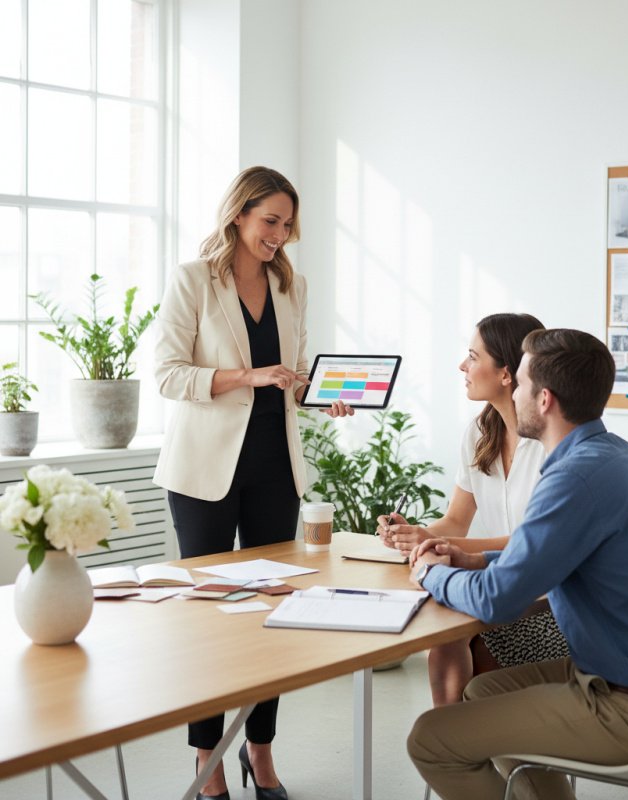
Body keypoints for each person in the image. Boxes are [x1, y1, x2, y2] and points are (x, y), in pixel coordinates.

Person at [406, 328, 628, 800]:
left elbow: (497, 601)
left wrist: (431, 573)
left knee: (430, 739)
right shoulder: (618, 456)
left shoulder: (573, 478)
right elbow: (547, 556)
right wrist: (475, 559)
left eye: (522, 384)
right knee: (485, 691)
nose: (514, 393)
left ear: (544, 399)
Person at [153, 166, 352, 800]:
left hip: (274, 467)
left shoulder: (291, 286)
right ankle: (206, 758)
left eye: (288, 225)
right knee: (210, 617)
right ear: (238, 214)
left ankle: (259, 749)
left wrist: (323, 395)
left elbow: (293, 375)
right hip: (204, 470)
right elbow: (167, 374)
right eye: (271, 221)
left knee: (274, 610)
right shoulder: (193, 280)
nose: (280, 235)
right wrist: (247, 376)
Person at [375, 313, 568, 706]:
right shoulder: (480, 433)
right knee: (446, 629)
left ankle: (457, 732)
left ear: (506, 374)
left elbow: (532, 543)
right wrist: (414, 534)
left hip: (548, 606)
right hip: (500, 585)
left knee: (455, 628)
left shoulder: (552, 441)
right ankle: (448, 732)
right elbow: (456, 520)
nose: (462, 366)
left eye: (473, 356)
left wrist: (440, 545)